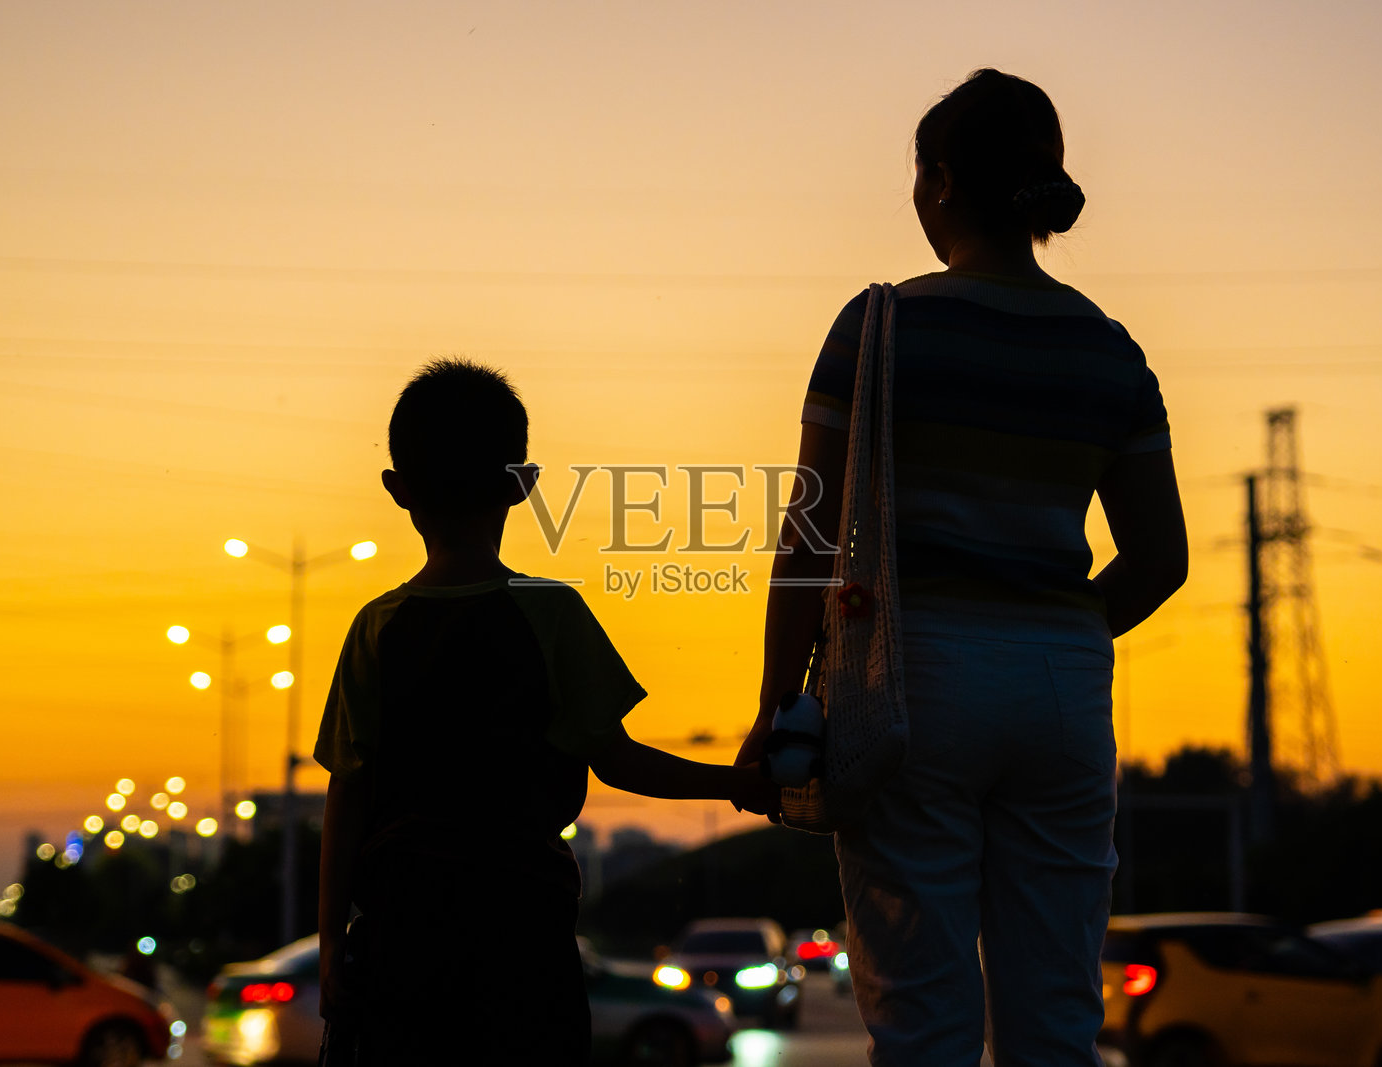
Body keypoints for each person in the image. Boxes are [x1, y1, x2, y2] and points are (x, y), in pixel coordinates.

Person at [737, 69, 1188, 1065]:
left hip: (912, 682)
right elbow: (1159, 558)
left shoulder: (880, 327)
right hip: (1064, 690)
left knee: (923, 1021)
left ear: (938, 182)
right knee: (1055, 1019)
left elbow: (809, 538)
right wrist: (1053, 628)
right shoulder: (1110, 350)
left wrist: (778, 704)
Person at [313, 359, 778, 1066]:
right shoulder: (550, 613)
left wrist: (327, 943)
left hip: (401, 936)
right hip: (522, 929)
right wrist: (736, 782)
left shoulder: (377, 627)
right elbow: (619, 757)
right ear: (523, 485)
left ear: (398, 490)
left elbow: (347, 792)